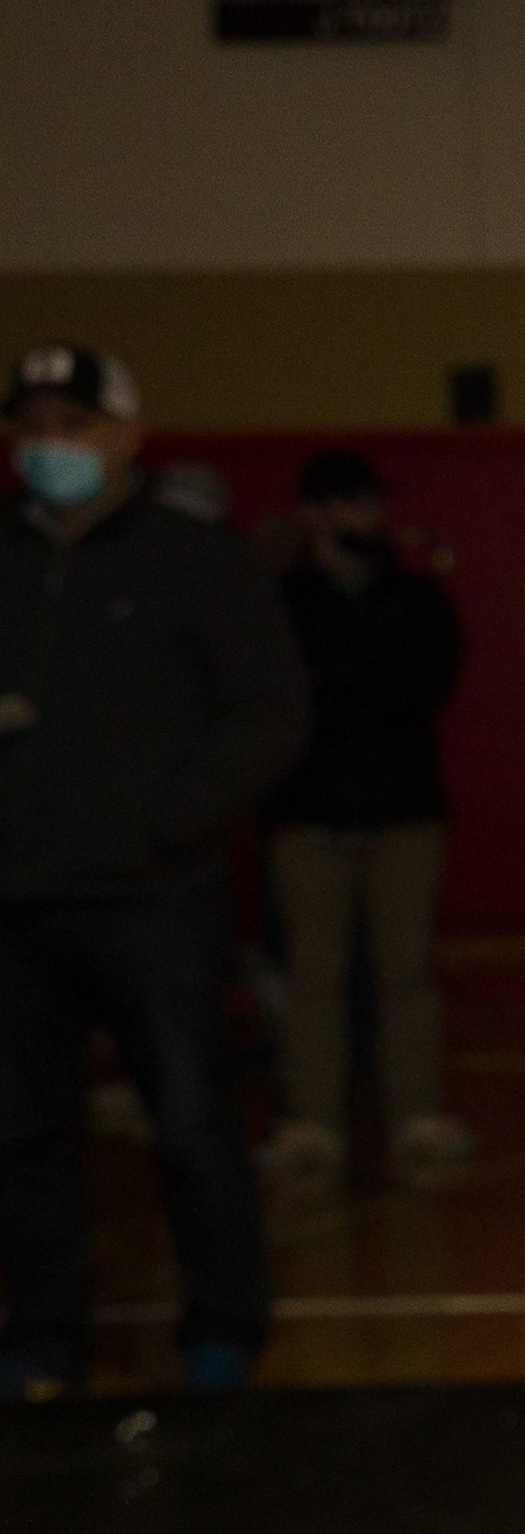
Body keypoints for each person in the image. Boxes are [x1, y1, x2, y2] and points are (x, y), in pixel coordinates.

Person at [0, 343, 309, 1400]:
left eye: (72, 426)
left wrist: (165, 823)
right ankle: (45, 1344)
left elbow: (273, 710)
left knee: (192, 1127)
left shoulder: (196, 557)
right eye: (33, 427)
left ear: (127, 437)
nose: (51, 447)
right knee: (24, 1137)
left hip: (152, 903)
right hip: (17, 907)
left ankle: (223, 1330)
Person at [265, 448, 472, 1194]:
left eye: (372, 503)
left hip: (402, 810)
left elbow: (432, 681)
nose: (369, 518)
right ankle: (312, 1124)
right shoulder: (279, 598)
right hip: (306, 812)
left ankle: (415, 1115)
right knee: (312, 976)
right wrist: (351, 684)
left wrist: (338, 682)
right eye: (351, 504)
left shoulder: (416, 597)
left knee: (406, 970)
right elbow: (272, 697)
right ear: (316, 513)